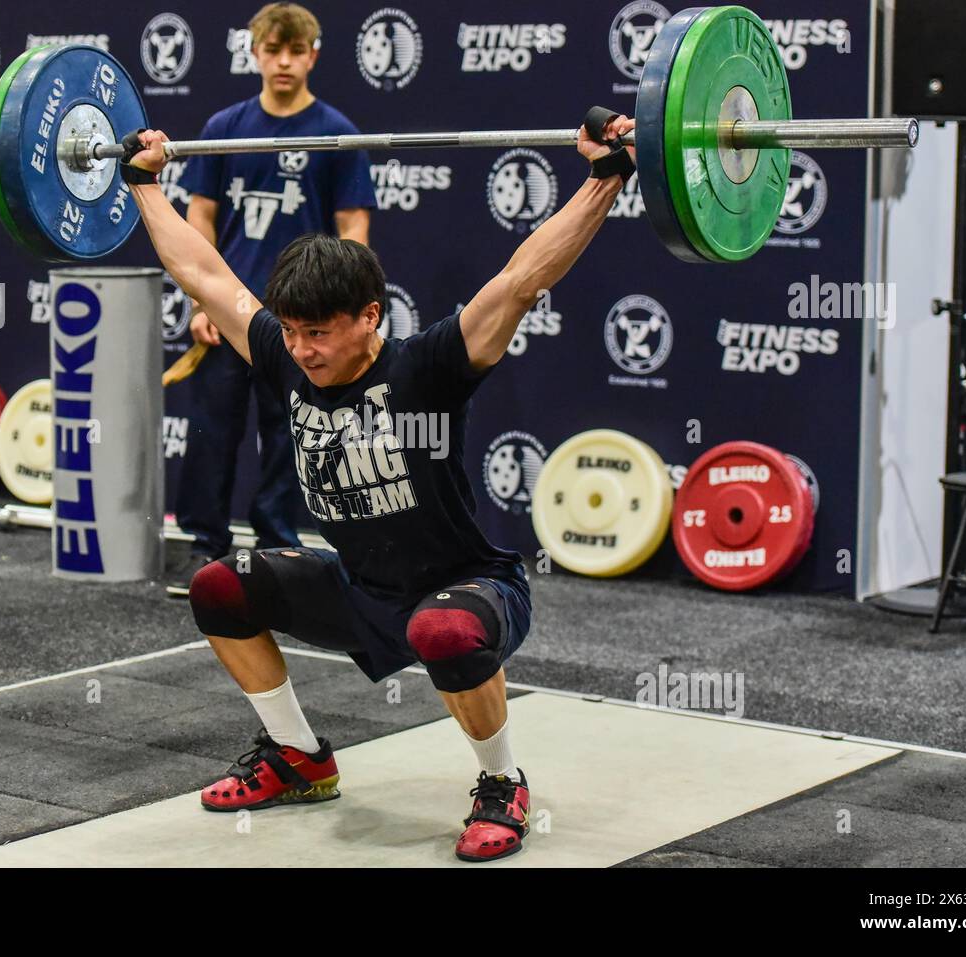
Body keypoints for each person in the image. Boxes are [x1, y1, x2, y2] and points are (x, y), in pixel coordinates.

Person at [122, 109, 636, 861]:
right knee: (219, 585)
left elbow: (524, 279)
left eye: (319, 333)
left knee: (442, 631)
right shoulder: (286, 353)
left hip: (469, 590)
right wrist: (145, 188)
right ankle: (298, 756)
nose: (302, 350)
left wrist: (606, 176)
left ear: (370, 316)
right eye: (292, 332)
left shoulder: (428, 366)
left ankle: (501, 783)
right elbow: (203, 274)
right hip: (363, 590)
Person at [168, 2, 376, 596]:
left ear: (313, 55)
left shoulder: (336, 133)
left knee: (289, 437)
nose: (283, 62)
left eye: (295, 51)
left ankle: (276, 547)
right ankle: (205, 548)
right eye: (272, 50)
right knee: (211, 431)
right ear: (254, 53)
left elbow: (353, 227)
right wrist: (202, 301)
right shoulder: (224, 128)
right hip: (229, 315)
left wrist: (336, 315)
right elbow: (198, 218)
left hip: (301, 324)